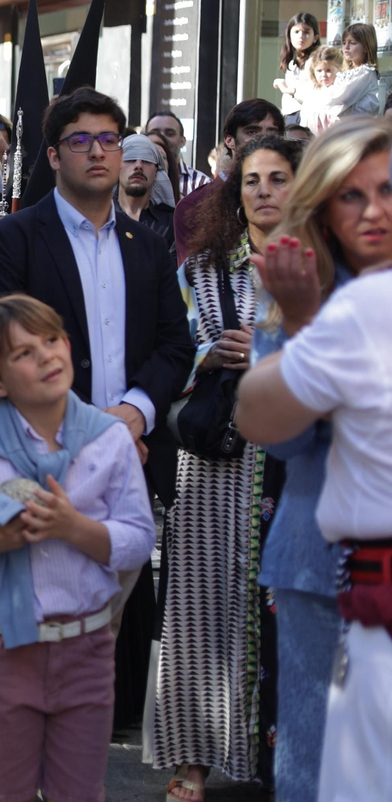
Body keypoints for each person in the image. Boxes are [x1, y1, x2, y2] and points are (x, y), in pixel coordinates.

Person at [0, 87, 196, 730]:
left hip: (128, 450)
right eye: (81, 141)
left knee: (116, 622)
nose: (99, 152)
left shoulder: (148, 245)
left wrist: (136, 411)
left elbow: (173, 344)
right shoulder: (15, 238)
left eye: (109, 140)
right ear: (53, 154)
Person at [0, 295, 155, 802]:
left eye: (51, 340)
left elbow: (140, 538)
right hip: (3, 651)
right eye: (24, 353)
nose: (47, 356)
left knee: (78, 791)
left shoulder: (110, 441)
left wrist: (75, 528)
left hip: (86, 648)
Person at [239, 117, 391, 801]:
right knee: (310, 761)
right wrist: (302, 324)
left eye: (387, 190)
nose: (373, 212)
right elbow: (281, 439)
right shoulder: (296, 290)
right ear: (324, 206)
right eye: (351, 196)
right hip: (313, 557)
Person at [151, 134, 301, 800]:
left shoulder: (328, 268)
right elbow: (165, 353)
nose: (265, 190)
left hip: (297, 463)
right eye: (252, 180)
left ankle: (282, 756)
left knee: (286, 610)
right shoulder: (202, 269)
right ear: (235, 193)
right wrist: (209, 355)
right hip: (216, 465)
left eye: (279, 177)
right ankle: (194, 756)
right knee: (200, 608)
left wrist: (277, 351)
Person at [173, 99, 284, 261]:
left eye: (272, 133)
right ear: (229, 140)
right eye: (252, 131)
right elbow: (192, 278)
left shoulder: (295, 198)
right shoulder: (193, 206)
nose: (263, 140)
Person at [300, 22, 386, 132]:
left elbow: (340, 97)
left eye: (352, 43)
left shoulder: (366, 73)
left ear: (366, 47)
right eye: (344, 43)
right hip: (342, 128)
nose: (346, 47)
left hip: (354, 130)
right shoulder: (347, 71)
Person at [115, 134, 174, 246]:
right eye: (130, 159)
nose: (138, 165)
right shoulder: (101, 218)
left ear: (156, 171)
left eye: (146, 160)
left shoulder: (172, 222)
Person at [144, 111, 211, 202]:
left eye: (170, 134)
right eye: (155, 133)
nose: (162, 138)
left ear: (182, 141)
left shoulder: (201, 184)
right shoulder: (133, 178)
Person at [272, 11, 319, 120]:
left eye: (306, 32)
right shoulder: (292, 61)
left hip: (306, 116)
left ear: (315, 38)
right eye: (296, 32)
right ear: (289, 35)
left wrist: (287, 89)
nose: (301, 36)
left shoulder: (316, 61)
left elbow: (314, 95)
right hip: (290, 115)